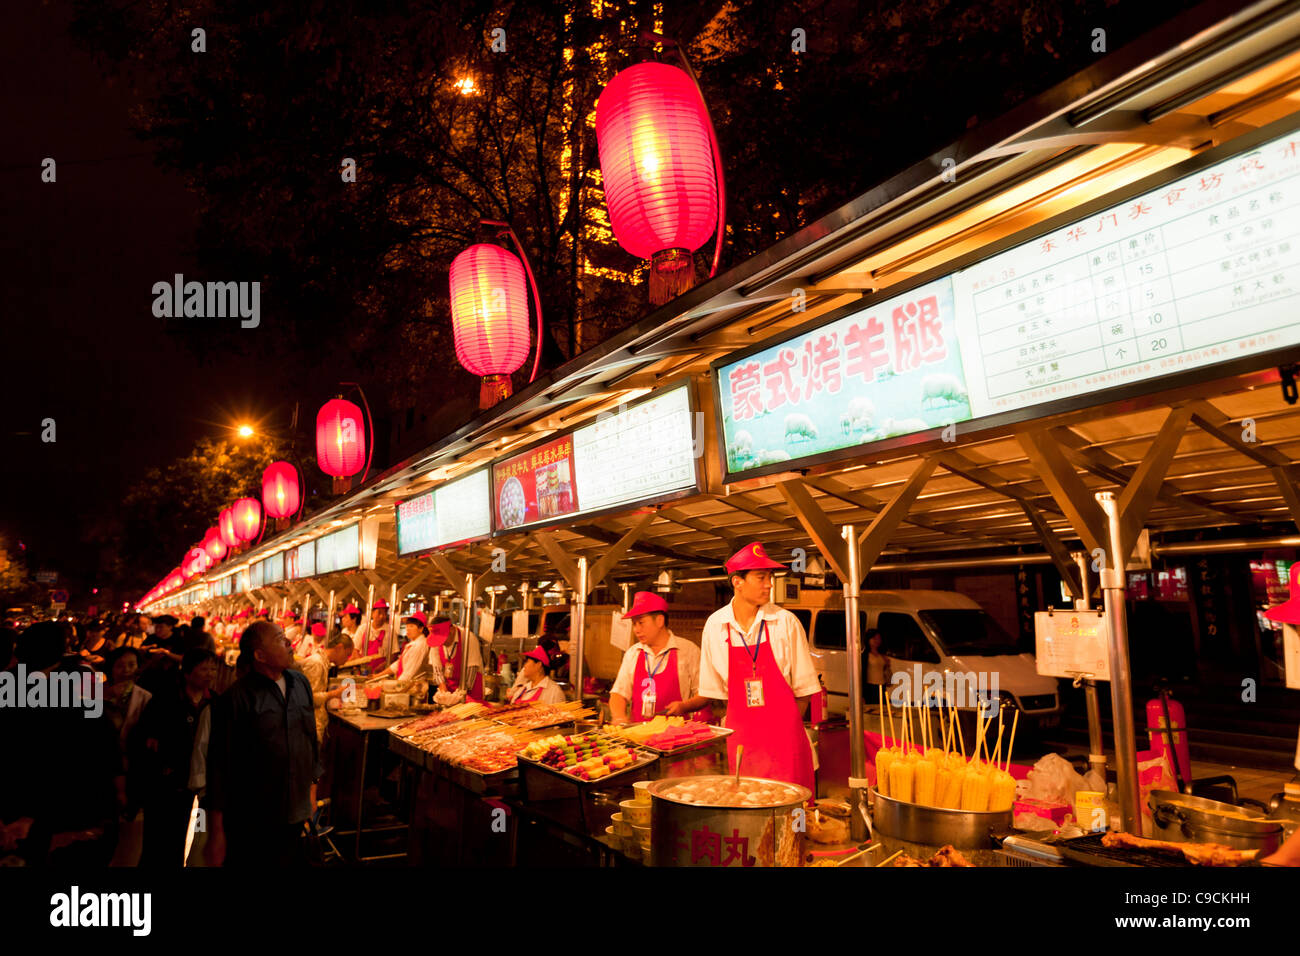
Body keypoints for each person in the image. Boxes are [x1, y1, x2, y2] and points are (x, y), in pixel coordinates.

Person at [699, 541, 819, 794]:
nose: (769, 584)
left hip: (786, 742)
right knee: (749, 811)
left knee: (791, 815)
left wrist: (782, 731)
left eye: (770, 577)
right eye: (761, 577)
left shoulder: (785, 623)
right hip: (743, 743)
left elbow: (804, 691)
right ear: (737, 582)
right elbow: (718, 696)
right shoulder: (715, 625)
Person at [0, 623, 124, 865]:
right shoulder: (81, 677)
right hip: (67, 798)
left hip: (41, 798)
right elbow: (103, 741)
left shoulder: (10, 681)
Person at [205, 621, 322, 867]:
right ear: (260, 655)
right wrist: (216, 832)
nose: (289, 643)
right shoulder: (235, 699)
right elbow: (218, 768)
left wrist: (312, 791)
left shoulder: (300, 683)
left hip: (295, 811)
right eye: (280, 639)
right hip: (252, 816)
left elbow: (310, 738)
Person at [134, 648, 218, 866]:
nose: (210, 673)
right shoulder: (166, 698)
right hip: (166, 780)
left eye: (212, 668)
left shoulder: (216, 703)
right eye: (203, 669)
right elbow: (146, 737)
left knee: (186, 834)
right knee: (157, 839)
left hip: (197, 782)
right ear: (187, 673)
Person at [609, 591, 709, 723]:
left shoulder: (688, 651)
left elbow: (704, 693)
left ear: (660, 621)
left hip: (676, 736)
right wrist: (619, 716)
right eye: (634, 624)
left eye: (641, 623)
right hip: (638, 736)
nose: (636, 629)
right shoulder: (633, 653)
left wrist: (685, 706)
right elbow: (619, 693)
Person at [300, 632, 354, 740]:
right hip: (308, 728)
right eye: (347, 654)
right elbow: (308, 699)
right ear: (339, 647)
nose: (347, 659)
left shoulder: (323, 663)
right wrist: (335, 694)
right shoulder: (317, 663)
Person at [429, 615, 483, 700]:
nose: (441, 643)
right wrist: (443, 690)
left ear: (452, 630)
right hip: (450, 690)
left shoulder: (468, 638)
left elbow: (471, 671)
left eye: (443, 639)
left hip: (471, 691)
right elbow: (437, 669)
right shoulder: (435, 641)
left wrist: (458, 696)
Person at [373, 611, 433, 682]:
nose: (408, 629)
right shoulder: (412, 644)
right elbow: (398, 664)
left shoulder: (420, 645)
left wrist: (395, 685)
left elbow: (408, 674)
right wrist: (378, 676)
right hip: (405, 684)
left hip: (413, 687)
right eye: (407, 626)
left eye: (411, 626)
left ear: (421, 629)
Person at [865, 628, 892, 696]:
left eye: (879, 638)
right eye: (874, 638)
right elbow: (862, 674)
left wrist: (887, 664)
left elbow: (885, 670)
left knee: (882, 705)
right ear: (869, 639)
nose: (877, 641)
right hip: (870, 687)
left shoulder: (882, 655)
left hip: (882, 686)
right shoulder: (865, 655)